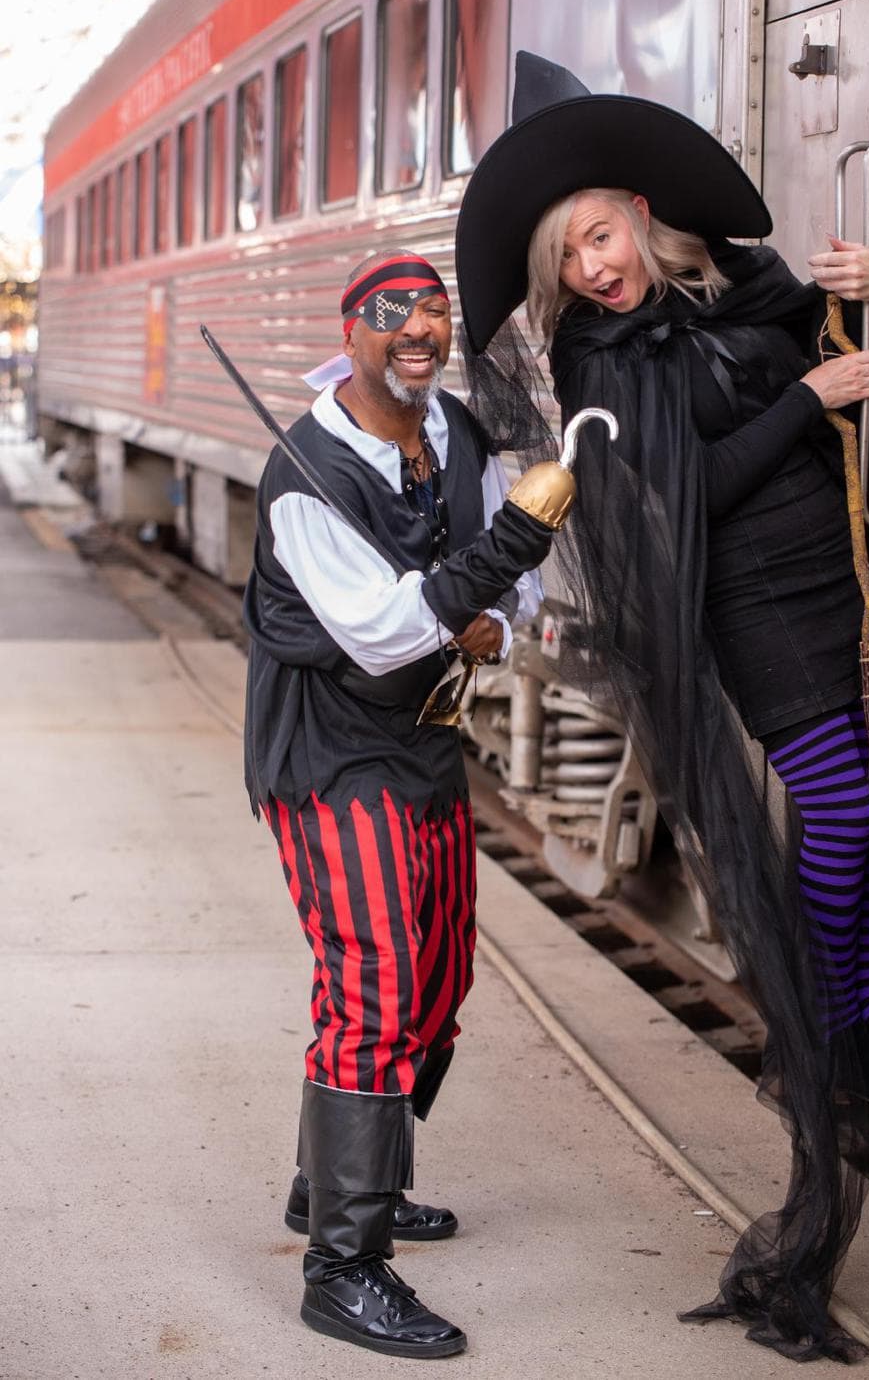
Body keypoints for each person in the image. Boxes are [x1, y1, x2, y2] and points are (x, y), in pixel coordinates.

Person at [454, 53, 869, 1362]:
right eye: (565, 254)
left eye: (597, 235)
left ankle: (864, 1025)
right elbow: (679, 489)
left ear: (637, 212)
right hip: (751, 610)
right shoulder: (597, 359)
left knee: (865, 812)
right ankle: (834, 1017)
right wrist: (809, 398)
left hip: (838, 590)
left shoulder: (733, 283)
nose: (590, 268)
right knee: (836, 809)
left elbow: (823, 339)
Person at [242, 249, 552, 1358]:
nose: (418, 331)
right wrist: (513, 540)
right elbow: (379, 637)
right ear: (352, 330)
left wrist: (495, 613)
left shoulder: (455, 430)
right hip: (331, 753)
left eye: (433, 314)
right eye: (393, 316)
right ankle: (344, 1265)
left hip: (422, 742)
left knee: (439, 975)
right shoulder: (304, 472)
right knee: (371, 984)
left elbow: (491, 592)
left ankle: (329, 1184)